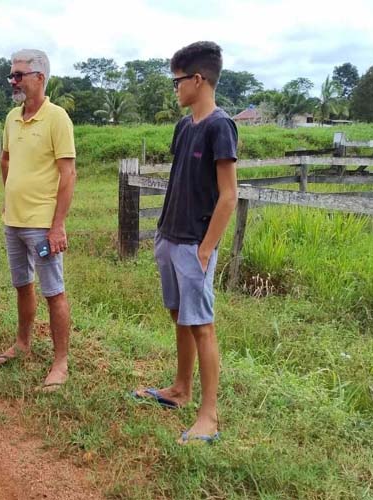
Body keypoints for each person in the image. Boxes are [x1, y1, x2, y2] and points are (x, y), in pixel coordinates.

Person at [132, 41, 238, 445]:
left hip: (195, 243)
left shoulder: (220, 126)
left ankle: (208, 416)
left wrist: (207, 249)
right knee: (180, 316)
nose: (175, 88)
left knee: (202, 326)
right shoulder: (184, 126)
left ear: (198, 79)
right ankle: (179, 390)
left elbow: (228, 195)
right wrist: (162, 234)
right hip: (169, 236)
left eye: (178, 81)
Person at [0, 49, 76, 393]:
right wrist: (10, 196)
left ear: (40, 77)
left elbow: (68, 173)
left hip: (42, 226)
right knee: (21, 285)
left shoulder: (57, 118)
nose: (13, 81)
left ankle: (60, 362)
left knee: (53, 291)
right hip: (14, 221)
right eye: (12, 75)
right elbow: (6, 159)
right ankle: (22, 344)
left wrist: (57, 225)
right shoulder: (13, 117)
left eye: (19, 75)